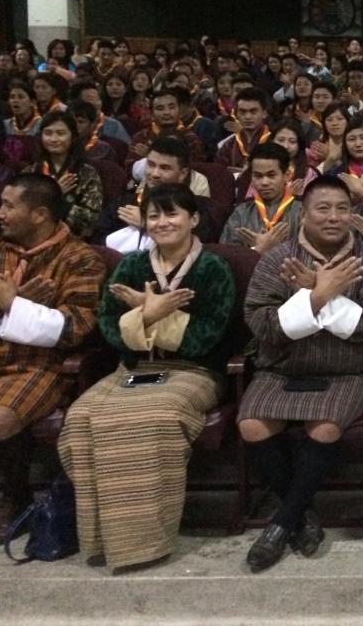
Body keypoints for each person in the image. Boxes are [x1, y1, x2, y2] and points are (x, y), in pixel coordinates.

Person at [58, 184, 233, 571]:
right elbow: (107, 324)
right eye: (154, 215)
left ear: (194, 219)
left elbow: (209, 336)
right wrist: (148, 314)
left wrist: (150, 313)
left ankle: (143, 542)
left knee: (153, 418)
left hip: (194, 370)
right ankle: (101, 537)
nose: (162, 222)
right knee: (81, 418)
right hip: (135, 368)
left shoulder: (212, 268)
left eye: (172, 214)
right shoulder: (132, 266)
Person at [238, 176, 363, 571]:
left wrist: (319, 297)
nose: (333, 217)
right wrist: (317, 296)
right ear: (302, 214)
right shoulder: (277, 259)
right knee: (252, 425)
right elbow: (262, 324)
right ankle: (301, 513)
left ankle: (281, 522)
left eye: (342, 208)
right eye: (322, 208)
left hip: (348, 370)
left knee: (324, 427)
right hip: (283, 367)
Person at [0, 173, 103, 529]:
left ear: (39, 214)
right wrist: (11, 306)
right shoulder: (0, 252)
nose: (0, 213)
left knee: (0, 419)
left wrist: (15, 305)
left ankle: (13, 496)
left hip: (41, 366)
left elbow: (75, 327)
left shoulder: (80, 259)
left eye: (9, 206)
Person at [97, 137, 218, 251]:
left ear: (183, 174)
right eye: (151, 165)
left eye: (164, 168)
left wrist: (147, 224)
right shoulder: (124, 204)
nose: (154, 174)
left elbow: (197, 247)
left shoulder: (196, 209)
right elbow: (99, 243)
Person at [30, 111, 103, 239]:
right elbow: (23, 212)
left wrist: (55, 201)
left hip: (72, 240)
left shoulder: (87, 173)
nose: (53, 139)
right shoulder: (30, 172)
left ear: (73, 136)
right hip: (33, 237)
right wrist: (54, 193)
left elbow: (91, 218)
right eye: (48, 133)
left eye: (61, 133)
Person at [220, 142, 302, 251]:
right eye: (258, 176)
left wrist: (272, 248)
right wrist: (257, 248)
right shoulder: (241, 212)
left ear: (286, 175)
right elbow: (226, 255)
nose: (264, 182)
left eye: (271, 175)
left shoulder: (302, 211)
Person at [125, 88, 207, 176]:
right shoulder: (141, 137)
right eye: (160, 109)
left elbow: (196, 170)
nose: (167, 112)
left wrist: (149, 157)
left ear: (180, 110)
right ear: (152, 113)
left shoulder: (190, 138)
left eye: (171, 107)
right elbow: (129, 168)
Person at [216, 89, 272, 173]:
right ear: (236, 114)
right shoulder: (228, 145)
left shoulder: (274, 140)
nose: (248, 117)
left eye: (253, 112)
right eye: (242, 112)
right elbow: (219, 172)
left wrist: (247, 173)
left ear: (264, 113)